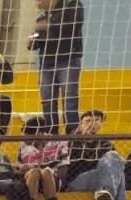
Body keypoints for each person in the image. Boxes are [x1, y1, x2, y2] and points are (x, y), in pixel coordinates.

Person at [60, 110, 131, 200]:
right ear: (80, 125)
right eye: (88, 121)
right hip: (75, 182)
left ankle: (107, 197)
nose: (92, 124)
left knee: (114, 158)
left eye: (96, 120)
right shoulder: (71, 141)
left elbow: (113, 165)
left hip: (101, 179)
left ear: (100, 125)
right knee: (116, 169)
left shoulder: (105, 144)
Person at [31, 0, 84, 134]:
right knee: (47, 99)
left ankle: (72, 132)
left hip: (68, 59)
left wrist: (47, 26)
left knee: (69, 96)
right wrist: (33, 40)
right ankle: (51, 132)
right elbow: (38, 37)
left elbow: (71, 27)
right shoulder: (42, 17)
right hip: (46, 63)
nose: (36, 3)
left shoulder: (73, 5)